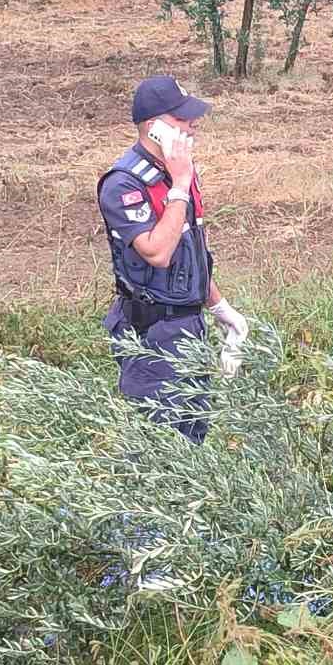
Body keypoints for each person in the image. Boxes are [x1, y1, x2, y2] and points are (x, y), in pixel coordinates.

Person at [96, 75, 250, 444]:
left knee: (194, 436)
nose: (192, 126)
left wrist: (219, 307)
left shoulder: (177, 173)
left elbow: (190, 249)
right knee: (159, 448)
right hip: (152, 335)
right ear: (155, 128)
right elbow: (158, 252)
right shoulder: (124, 184)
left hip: (189, 327)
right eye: (181, 120)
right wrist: (180, 185)